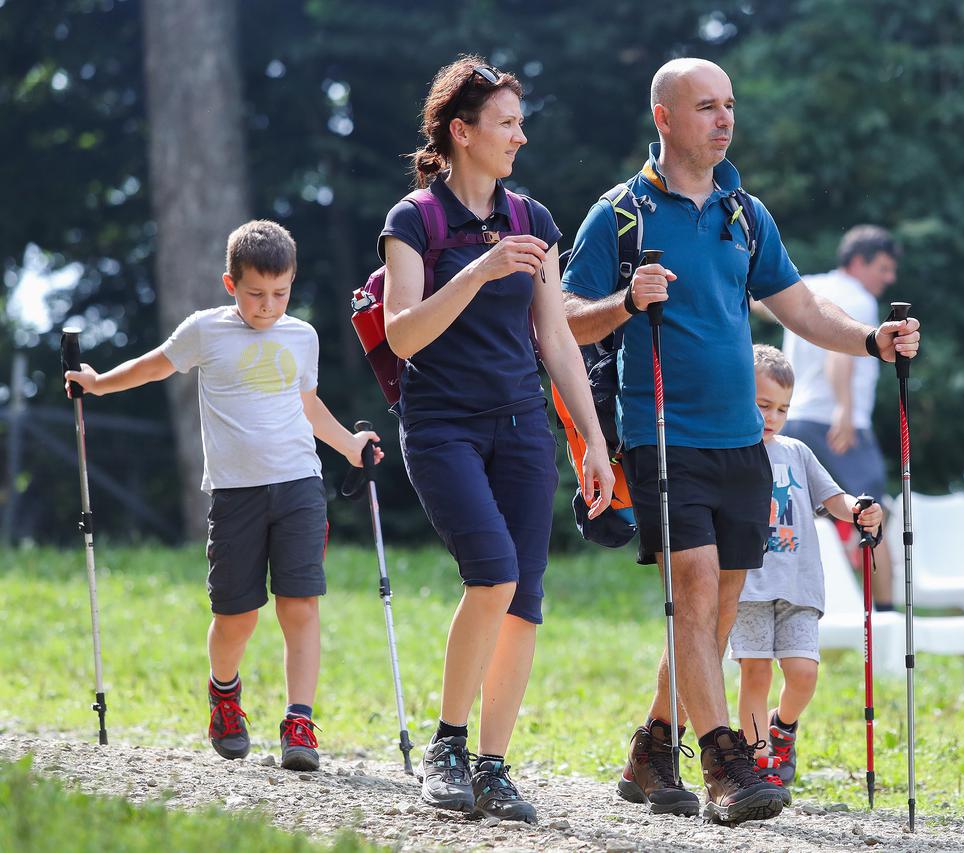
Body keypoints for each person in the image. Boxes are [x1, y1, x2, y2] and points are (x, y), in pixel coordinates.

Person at [560, 57, 919, 824]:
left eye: (729, 106)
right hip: (661, 435)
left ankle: (654, 746)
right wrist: (625, 301)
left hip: (741, 443)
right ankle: (726, 763)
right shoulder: (619, 215)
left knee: (719, 612)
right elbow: (559, 320)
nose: (724, 119)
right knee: (691, 594)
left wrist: (872, 341)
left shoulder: (744, 213)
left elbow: (802, 308)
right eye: (705, 107)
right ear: (664, 118)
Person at [381, 56, 613, 824]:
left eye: (520, 122)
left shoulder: (534, 220)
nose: (520, 135)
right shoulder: (415, 219)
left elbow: (555, 339)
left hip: (522, 429)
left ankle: (493, 765)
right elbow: (405, 334)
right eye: (507, 122)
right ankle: (447, 746)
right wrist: (478, 270)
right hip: (441, 424)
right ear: (462, 131)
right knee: (492, 573)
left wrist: (594, 443)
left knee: (524, 601)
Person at [64, 220, 380, 771]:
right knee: (238, 615)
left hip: (299, 484)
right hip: (236, 495)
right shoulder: (205, 331)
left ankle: (298, 721)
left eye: (280, 293)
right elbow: (154, 366)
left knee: (300, 606)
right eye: (256, 294)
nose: (268, 306)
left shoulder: (302, 336)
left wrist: (351, 447)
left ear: (293, 282)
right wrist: (98, 382)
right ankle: (224, 693)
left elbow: (308, 405)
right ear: (230, 284)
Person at [731, 345, 883, 796]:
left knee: (803, 673)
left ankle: (783, 729)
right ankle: (758, 761)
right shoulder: (728, 450)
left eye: (781, 408)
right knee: (755, 673)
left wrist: (857, 508)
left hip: (798, 585)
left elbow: (832, 497)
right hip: (748, 585)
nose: (772, 417)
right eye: (762, 406)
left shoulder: (796, 451)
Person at [780, 225, 899, 610]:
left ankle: (793, 603)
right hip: (836, 424)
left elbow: (762, 303)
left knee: (795, 516)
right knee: (871, 514)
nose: (888, 278)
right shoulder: (858, 299)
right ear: (858, 262)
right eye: (882, 268)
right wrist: (844, 411)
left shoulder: (810, 285)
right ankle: (885, 615)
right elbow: (840, 355)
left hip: (792, 418)